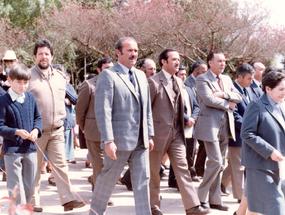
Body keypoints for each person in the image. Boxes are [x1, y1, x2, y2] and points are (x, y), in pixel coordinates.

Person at [90, 37, 154, 215]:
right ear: (118, 53)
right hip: (118, 141)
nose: (134, 54)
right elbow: (103, 110)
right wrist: (108, 140)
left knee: (142, 181)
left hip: (141, 141)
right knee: (107, 180)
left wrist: (150, 134)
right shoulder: (108, 76)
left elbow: (147, 107)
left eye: (136, 51)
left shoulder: (141, 76)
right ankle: (95, 212)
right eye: (130, 51)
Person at [148, 49, 209, 215]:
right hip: (156, 135)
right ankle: (153, 206)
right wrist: (148, 134)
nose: (177, 62)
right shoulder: (153, 82)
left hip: (177, 134)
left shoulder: (180, 82)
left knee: (183, 168)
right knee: (153, 172)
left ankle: (192, 206)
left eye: (178, 59)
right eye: (173, 59)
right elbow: (145, 111)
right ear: (163, 62)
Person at [28, 39, 84, 212]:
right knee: (34, 169)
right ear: (35, 57)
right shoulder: (28, 77)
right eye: (40, 54)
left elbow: (74, 98)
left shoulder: (60, 78)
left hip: (58, 130)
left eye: (46, 54)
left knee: (61, 166)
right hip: (36, 131)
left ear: (52, 56)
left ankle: (68, 200)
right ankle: (33, 202)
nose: (43, 57)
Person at [193, 51, 242, 211]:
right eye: (219, 61)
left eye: (224, 61)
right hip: (209, 126)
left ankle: (214, 199)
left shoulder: (227, 79)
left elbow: (238, 96)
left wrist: (223, 94)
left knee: (220, 164)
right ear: (210, 63)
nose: (223, 64)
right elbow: (208, 99)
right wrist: (228, 104)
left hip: (226, 126)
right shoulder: (202, 79)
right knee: (216, 162)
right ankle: (200, 196)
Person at [241, 70, 285, 215]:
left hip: (279, 167)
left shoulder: (281, 105)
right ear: (268, 89)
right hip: (260, 166)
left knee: (258, 209)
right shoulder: (256, 105)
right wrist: (270, 151)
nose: (284, 92)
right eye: (281, 89)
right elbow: (247, 133)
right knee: (275, 207)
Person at [0, 63, 42, 206]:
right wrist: (16, 132)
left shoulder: (30, 98)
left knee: (30, 188)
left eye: (25, 82)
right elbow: (0, 126)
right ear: (10, 80)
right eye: (18, 82)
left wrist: (36, 130)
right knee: (16, 189)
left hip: (30, 149)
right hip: (12, 151)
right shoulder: (3, 101)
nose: (22, 86)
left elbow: (38, 118)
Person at [76, 57, 113, 190]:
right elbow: (80, 110)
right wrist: (84, 128)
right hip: (94, 131)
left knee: (110, 164)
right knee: (99, 163)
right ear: (99, 70)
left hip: (113, 132)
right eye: (107, 68)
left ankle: (95, 180)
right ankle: (100, 193)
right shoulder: (89, 85)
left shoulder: (117, 83)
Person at [221, 63, 255, 202]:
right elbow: (233, 114)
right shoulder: (232, 90)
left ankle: (221, 184)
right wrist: (248, 127)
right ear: (239, 77)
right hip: (236, 133)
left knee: (234, 164)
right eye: (249, 78)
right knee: (239, 166)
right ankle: (241, 196)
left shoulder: (247, 90)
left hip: (246, 133)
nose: (251, 81)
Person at [168, 65, 200, 189]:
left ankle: (176, 180)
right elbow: (174, 107)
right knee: (178, 155)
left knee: (189, 153)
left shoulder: (189, 89)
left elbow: (197, 106)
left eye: (184, 74)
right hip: (178, 126)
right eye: (180, 74)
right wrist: (187, 118)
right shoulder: (172, 89)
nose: (183, 76)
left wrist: (193, 118)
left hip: (191, 127)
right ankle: (175, 181)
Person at [185, 60, 208, 177]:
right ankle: (190, 171)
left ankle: (199, 169)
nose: (206, 73)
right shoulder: (186, 83)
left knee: (204, 144)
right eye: (203, 71)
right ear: (196, 71)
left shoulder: (204, 82)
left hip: (203, 119)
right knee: (190, 148)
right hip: (190, 120)